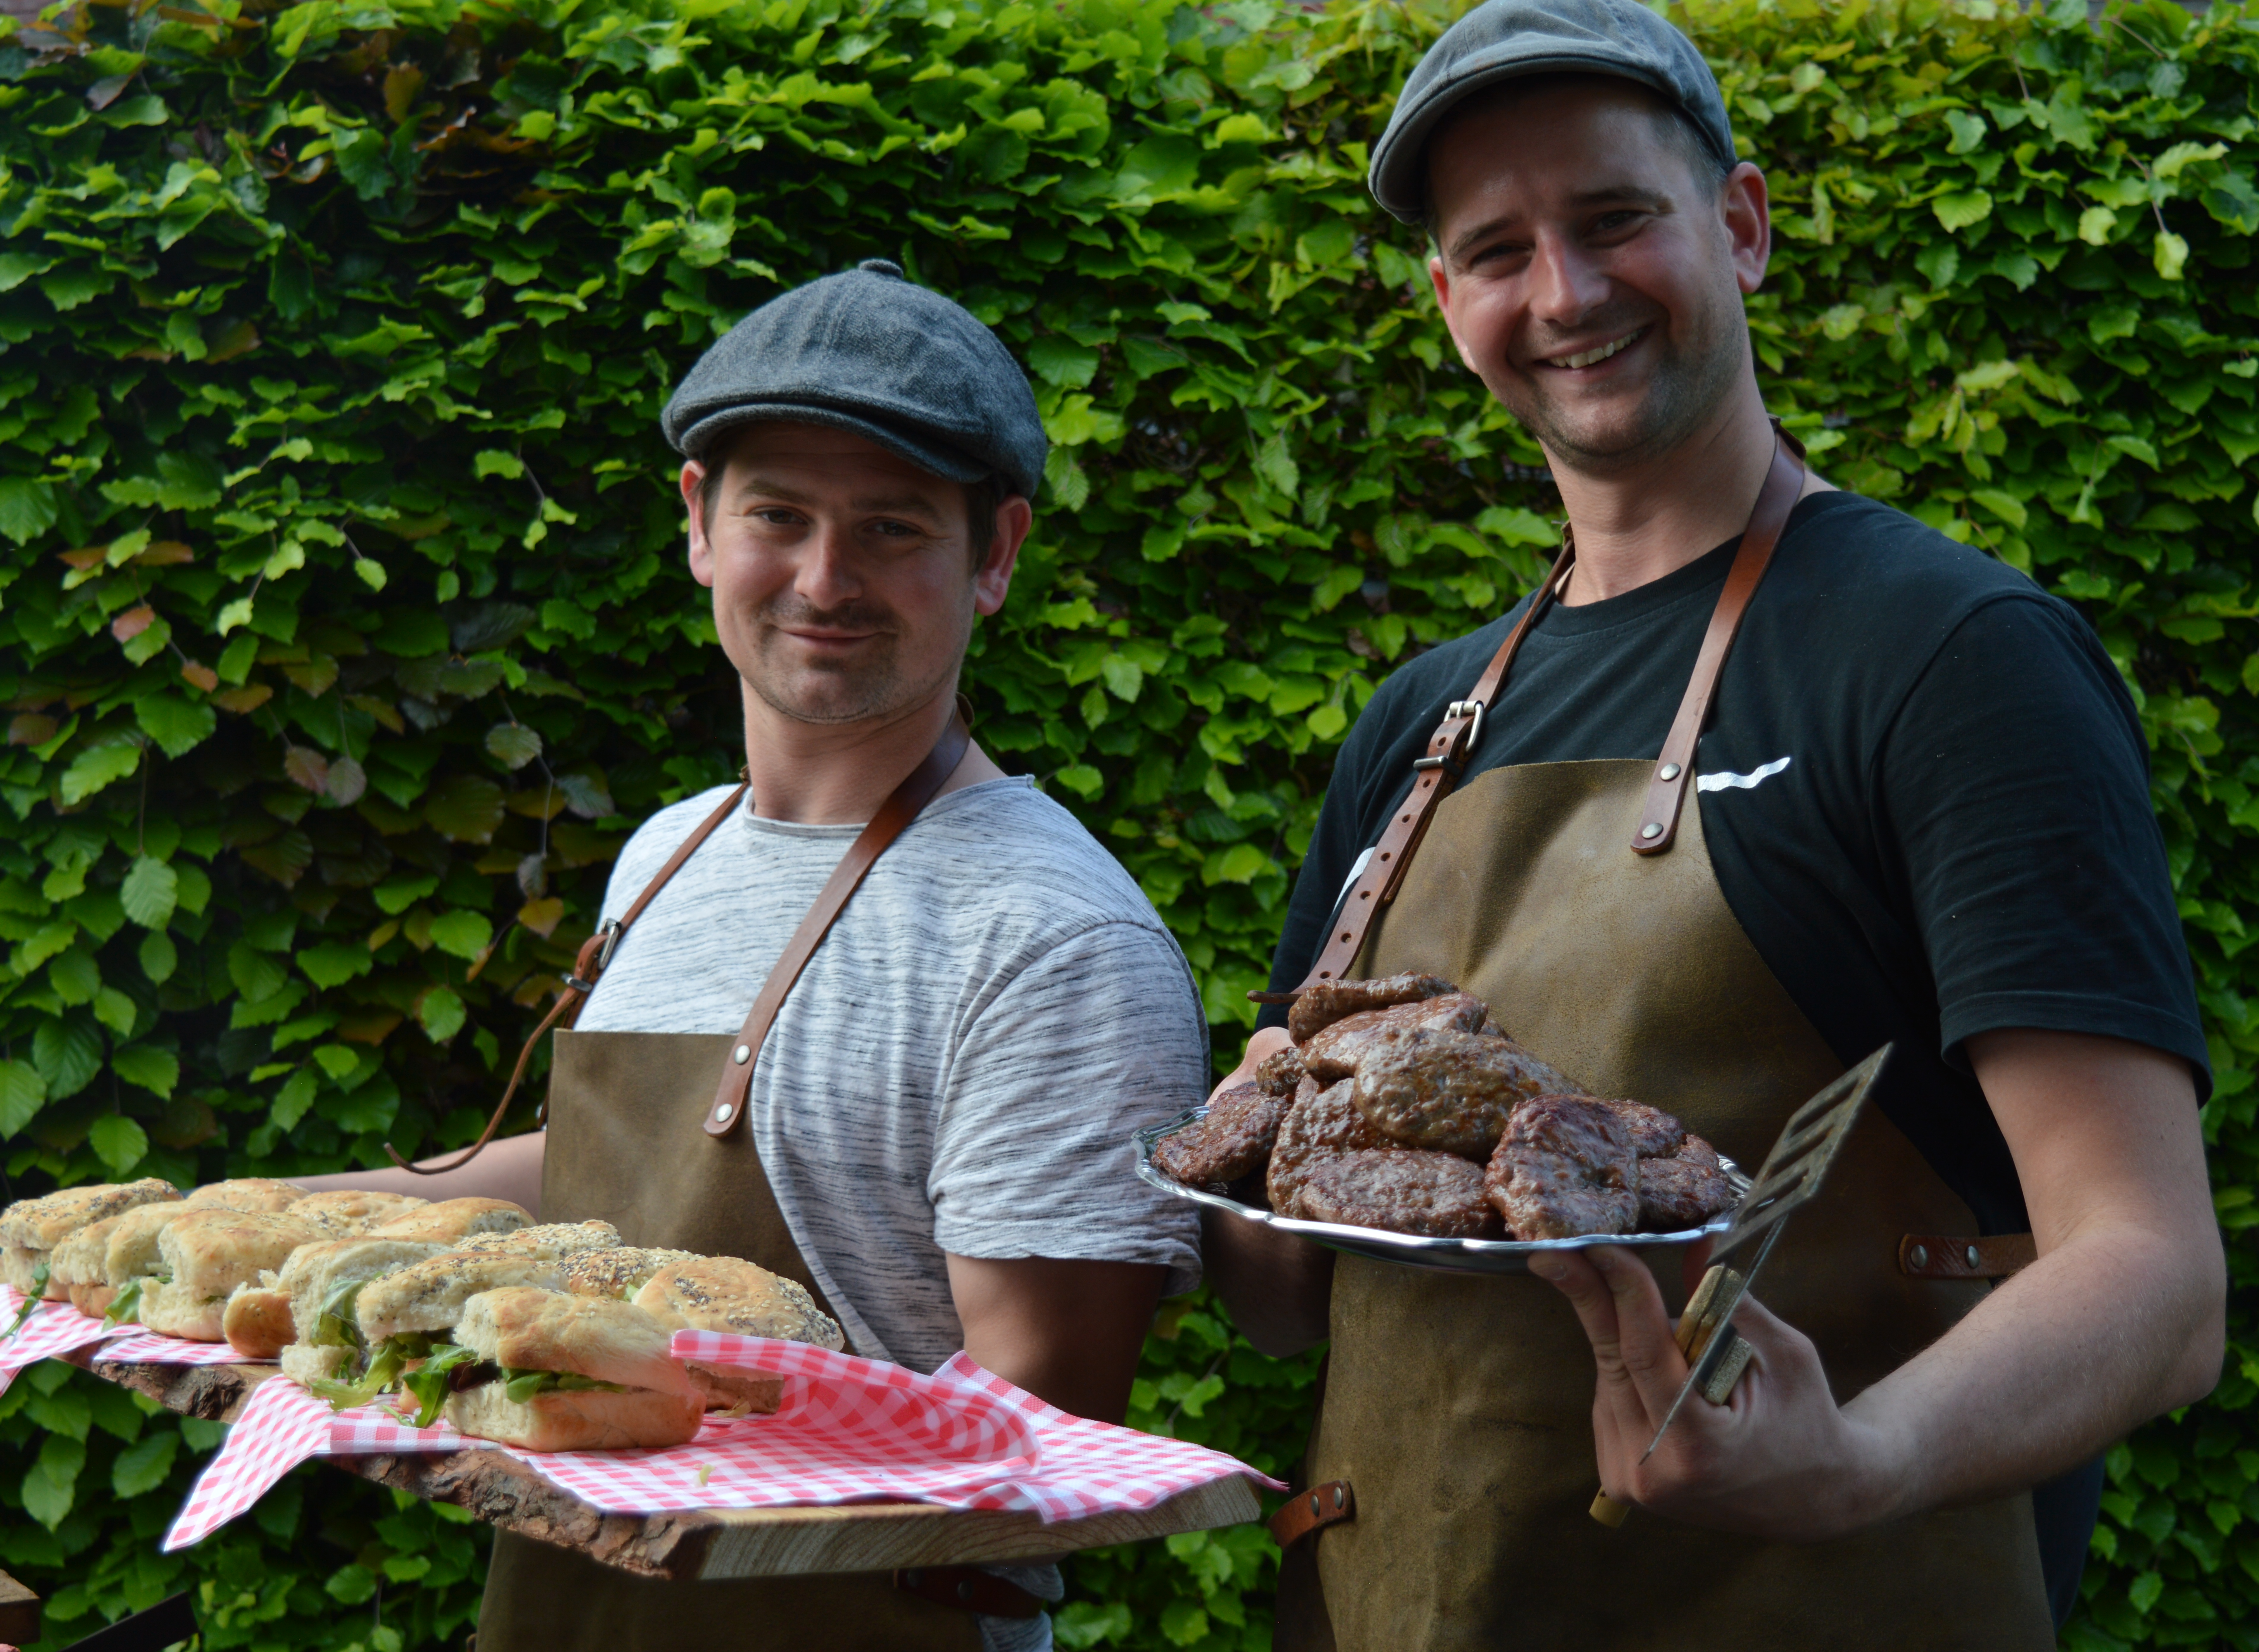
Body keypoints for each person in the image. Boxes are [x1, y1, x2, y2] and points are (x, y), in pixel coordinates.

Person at [1200, 2, 2226, 1646]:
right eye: (1495, 249)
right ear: (1447, 302)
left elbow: (2155, 1281)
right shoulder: (1419, 730)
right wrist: (1227, 1157)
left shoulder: (1949, 661)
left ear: (1738, 226)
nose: (1565, 293)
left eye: (1613, 219)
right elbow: (1279, 1301)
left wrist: (1862, 1455)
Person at [305, 260, 1207, 1651]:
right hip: (565, 1606)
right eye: (777, 517)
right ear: (699, 528)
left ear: (998, 553)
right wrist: (270, 1215)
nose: (824, 579)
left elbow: (1035, 1423)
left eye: (894, 528)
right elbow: (591, 1178)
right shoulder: (672, 848)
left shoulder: (1057, 940)